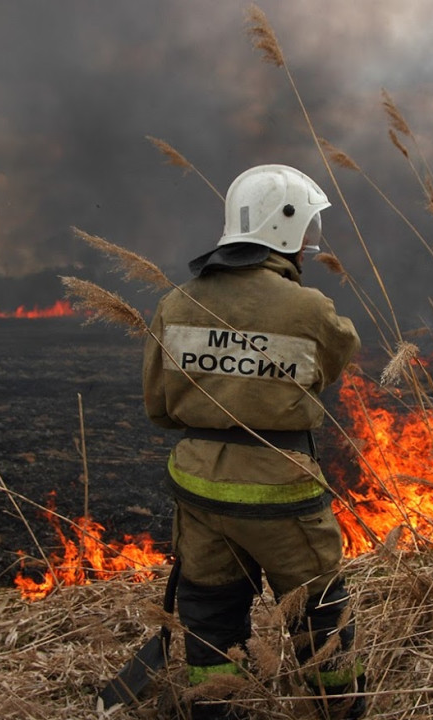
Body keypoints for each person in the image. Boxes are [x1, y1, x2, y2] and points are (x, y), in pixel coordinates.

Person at [142, 164, 365, 719]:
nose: (309, 243)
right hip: (280, 490)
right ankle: (338, 705)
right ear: (284, 226)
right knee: (319, 611)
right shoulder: (308, 308)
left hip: (198, 488)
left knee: (209, 611)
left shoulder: (176, 303)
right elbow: (333, 359)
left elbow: (159, 408)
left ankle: (215, 706)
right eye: (307, 228)